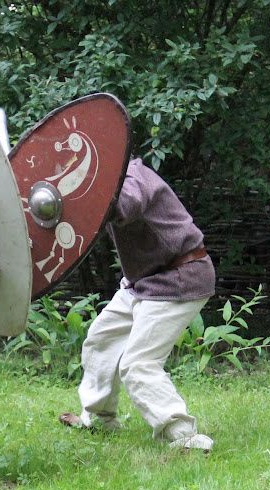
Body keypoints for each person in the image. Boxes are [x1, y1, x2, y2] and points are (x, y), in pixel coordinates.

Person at [59, 157, 216, 451]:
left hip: (179, 277)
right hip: (142, 282)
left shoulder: (132, 174)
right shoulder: (109, 179)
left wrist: (82, 197)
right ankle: (99, 420)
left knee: (138, 363)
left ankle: (185, 437)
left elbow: (125, 205)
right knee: (101, 339)